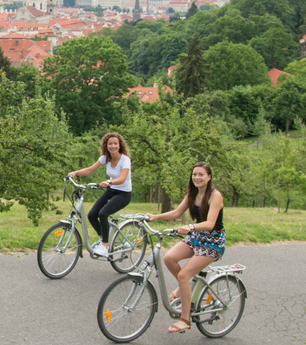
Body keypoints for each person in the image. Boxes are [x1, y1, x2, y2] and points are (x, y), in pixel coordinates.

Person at [146, 162, 225, 334]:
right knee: (169, 258)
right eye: (194, 174)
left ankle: (185, 320)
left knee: (183, 275)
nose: (197, 177)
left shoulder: (215, 195)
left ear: (209, 177)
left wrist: (190, 227)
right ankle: (184, 288)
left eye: (201, 174)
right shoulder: (192, 192)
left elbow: (211, 224)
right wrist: (155, 216)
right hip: (198, 236)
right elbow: (176, 213)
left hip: (213, 241)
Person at [69, 132, 132, 257]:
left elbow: (122, 179)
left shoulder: (125, 160)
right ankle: (103, 238)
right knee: (92, 215)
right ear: (106, 145)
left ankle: (105, 246)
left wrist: (109, 182)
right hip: (111, 190)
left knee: (103, 214)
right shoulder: (105, 158)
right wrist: (75, 173)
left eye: (115, 144)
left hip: (123, 193)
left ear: (120, 145)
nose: (113, 146)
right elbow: (90, 170)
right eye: (110, 144)